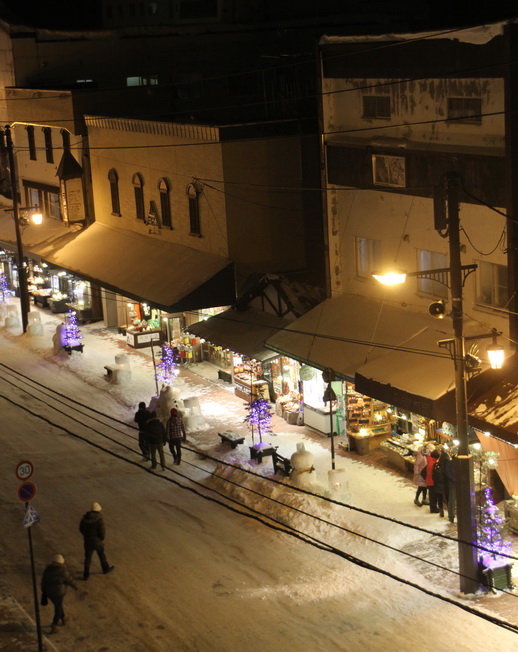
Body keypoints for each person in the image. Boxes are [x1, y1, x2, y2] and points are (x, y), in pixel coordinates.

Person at [40, 553, 77, 634]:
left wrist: (44, 591)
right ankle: (54, 625)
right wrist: (75, 586)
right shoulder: (62, 571)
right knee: (58, 608)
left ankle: (63, 618)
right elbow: (69, 580)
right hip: (59, 592)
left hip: (50, 592)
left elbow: (43, 581)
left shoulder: (48, 570)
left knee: (58, 605)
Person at [79, 502, 114, 580]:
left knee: (88, 557)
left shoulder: (85, 518)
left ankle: (86, 574)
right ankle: (105, 568)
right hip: (96, 540)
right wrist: (100, 538)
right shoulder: (99, 519)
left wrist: (86, 535)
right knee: (101, 555)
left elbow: (81, 528)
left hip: (87, 540)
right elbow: (102, 531)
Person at [443, 448, 457, 523]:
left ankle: (453, 514)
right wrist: (455, 480)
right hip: (453, 484)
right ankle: (451, 515)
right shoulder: (450, 463)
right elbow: (447, 473)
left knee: (454, 500)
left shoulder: (450, 463)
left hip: (454, 483)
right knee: (452, 500)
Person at [425, 449, 440, 513]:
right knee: (433, 496)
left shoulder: (429, 460)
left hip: (428, 480)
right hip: (432, 482)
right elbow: (434, 473)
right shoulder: (433, 463)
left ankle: (433, 507)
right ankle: (433, 509)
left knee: (431, 495)